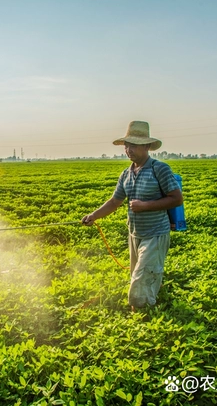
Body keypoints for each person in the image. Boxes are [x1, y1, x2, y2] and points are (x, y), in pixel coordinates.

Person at [82, 121, 183, 311]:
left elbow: (177, 199)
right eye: (127, 145)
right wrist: (93, 216)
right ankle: (148, 303)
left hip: (155, 233)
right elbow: (114, 201)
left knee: (141, 278)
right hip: (135, 234)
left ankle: (143, 316)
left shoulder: (159, 169)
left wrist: (145, 206)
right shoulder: (126, 174)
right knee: (142, 275)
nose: (128, 149)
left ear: (146, 146)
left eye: (134, 145)